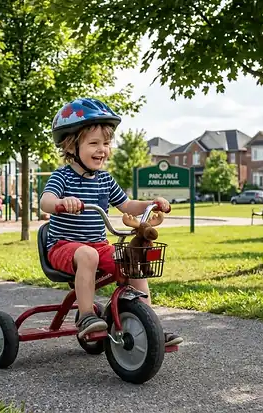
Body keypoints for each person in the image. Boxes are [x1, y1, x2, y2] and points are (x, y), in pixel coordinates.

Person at [39, 97, 183, 346]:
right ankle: (86, 317)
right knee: (88, 256)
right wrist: (63, 202)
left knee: (132, 261)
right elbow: (45, 201)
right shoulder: (61, 177)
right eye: (93, 143)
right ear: (71, 146)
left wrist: (150, 204)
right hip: (63, 246)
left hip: (97, 245)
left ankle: (151, 325)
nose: (102, 149)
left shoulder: (105, 179)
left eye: (105, 143)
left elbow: (126, 205)